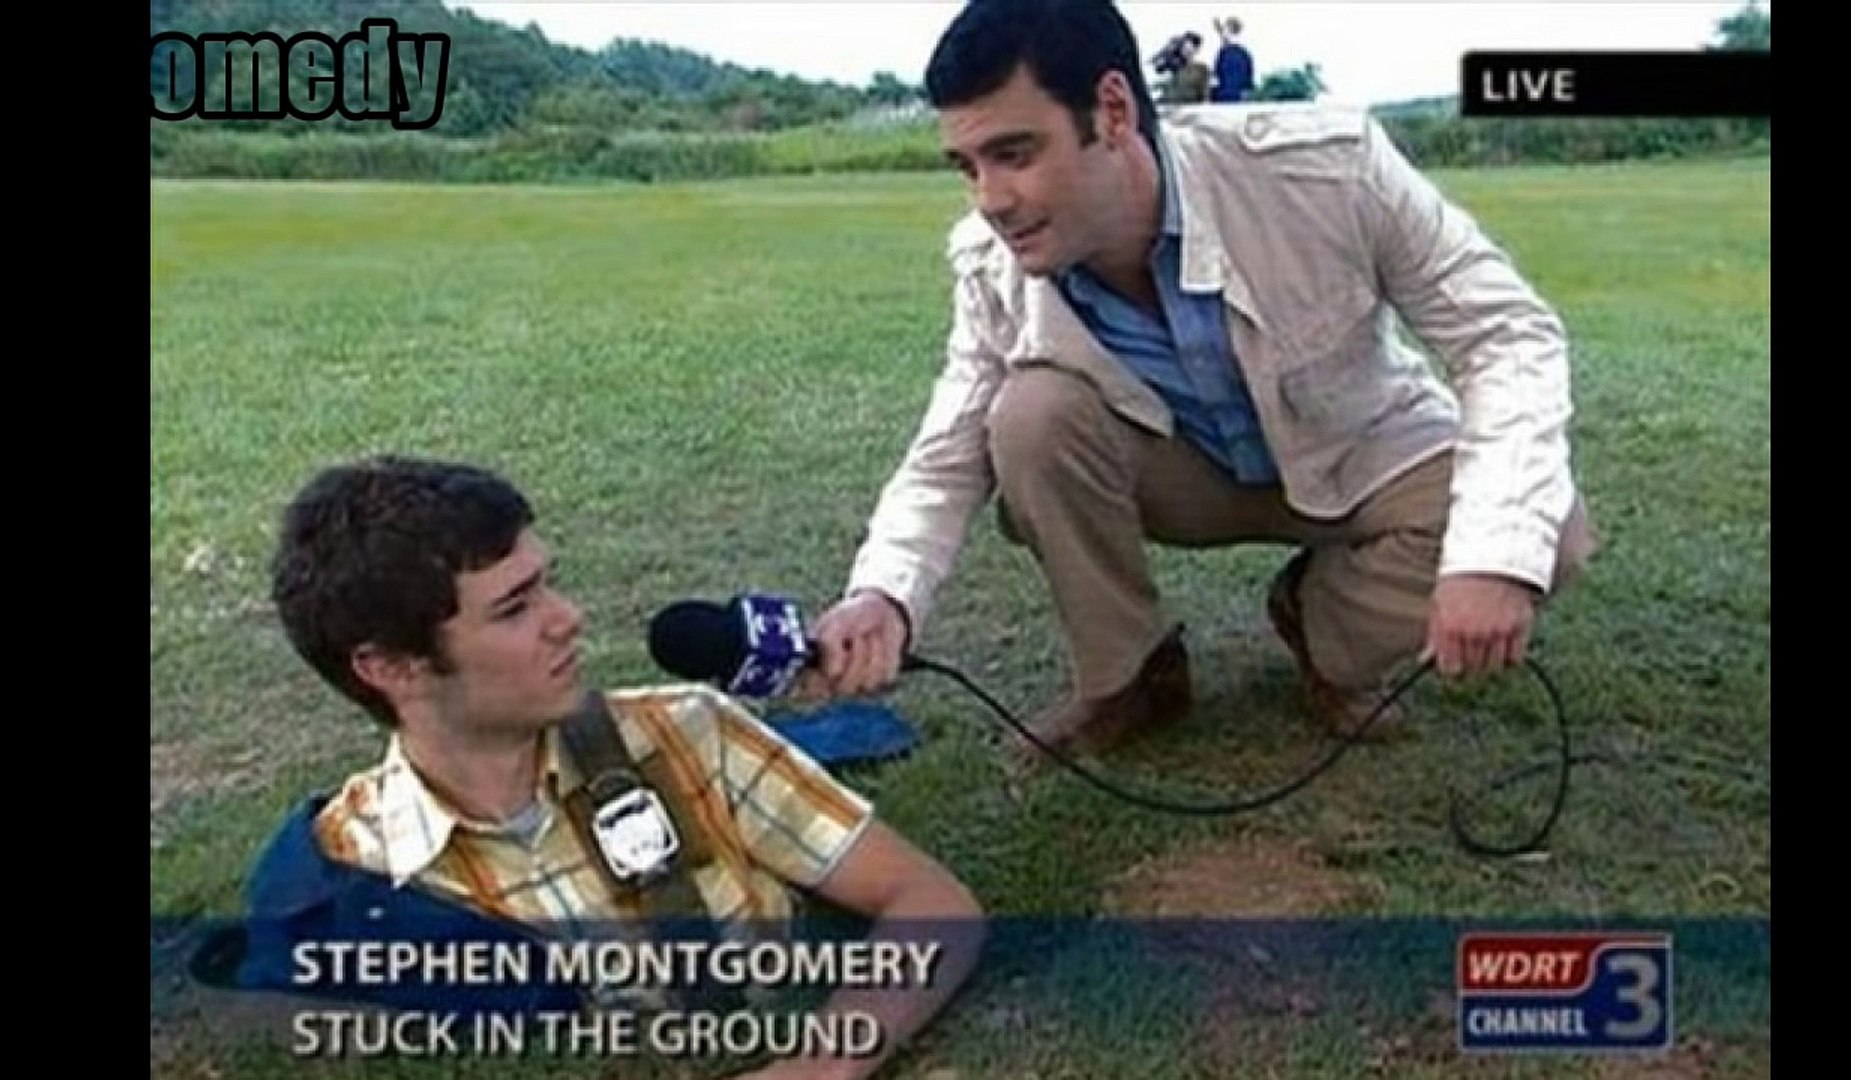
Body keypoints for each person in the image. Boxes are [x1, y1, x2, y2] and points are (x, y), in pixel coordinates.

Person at [805, 0, 1598, 756]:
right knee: (1029, 418)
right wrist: (884, 595)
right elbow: (946, 456)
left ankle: (1322, 627)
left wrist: (1490, 559)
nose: (990, 201)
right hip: (1182, 473)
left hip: (1356, 448)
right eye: (967, 166)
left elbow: (1505, 332)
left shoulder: (1329, 168)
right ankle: (1132, 679)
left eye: (1015, 154)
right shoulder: (992, 266)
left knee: (1541, 532)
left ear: (1113, 112)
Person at [216, 455, 983, 1080]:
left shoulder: (681, 734)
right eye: (514, 607)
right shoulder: (349, 882)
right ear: (390, 667)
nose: (567, 617)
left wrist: (819, 1068)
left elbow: (933, 905)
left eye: (544, 583)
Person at [1210, 16, 1255, 103]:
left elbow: (1216, 76)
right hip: (1227, 97)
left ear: (1229, 30)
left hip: (1230, 97)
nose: (1223, 32)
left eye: (1225, 29)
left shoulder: (1226, 53)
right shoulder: (1244, 54)